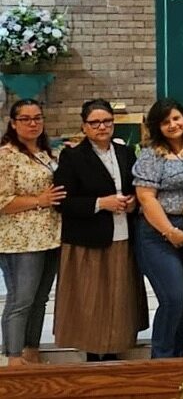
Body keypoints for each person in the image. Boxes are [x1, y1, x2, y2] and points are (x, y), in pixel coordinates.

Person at [53, 99, 147, 361]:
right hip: (89, 238)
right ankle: (94, 354)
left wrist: (132, 203)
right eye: (95, 123)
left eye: (106, 121)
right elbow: (63, 201)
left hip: (122, 234)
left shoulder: (125, 152)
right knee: (93, 299)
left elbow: (135, 187)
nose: (102, 127)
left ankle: (116, 348)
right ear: (84, 126)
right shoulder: (72, 156)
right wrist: (100, 203)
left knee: (119, 296)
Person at [132, 99, 183, 358]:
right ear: (157, 127)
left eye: (177, 118)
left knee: (182, 299)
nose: (173, 125)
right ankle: (161, 360)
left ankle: (179, 354)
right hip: (158, 233)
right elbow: (146, 198)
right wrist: (169, 231)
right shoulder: (151, 155)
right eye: (165, 122)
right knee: (172, 297)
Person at [0, 99, 64, 367]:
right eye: (25, 119)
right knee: (21, 299)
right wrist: (40, 200)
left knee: (39, 299)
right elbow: (2, 201)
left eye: (37, 117)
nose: (33, 123)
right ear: (13, 123)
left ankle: (31, 350)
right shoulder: (6, 155)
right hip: (20, 240)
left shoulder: (44, 153)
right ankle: (13, 357)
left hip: (49, 236)